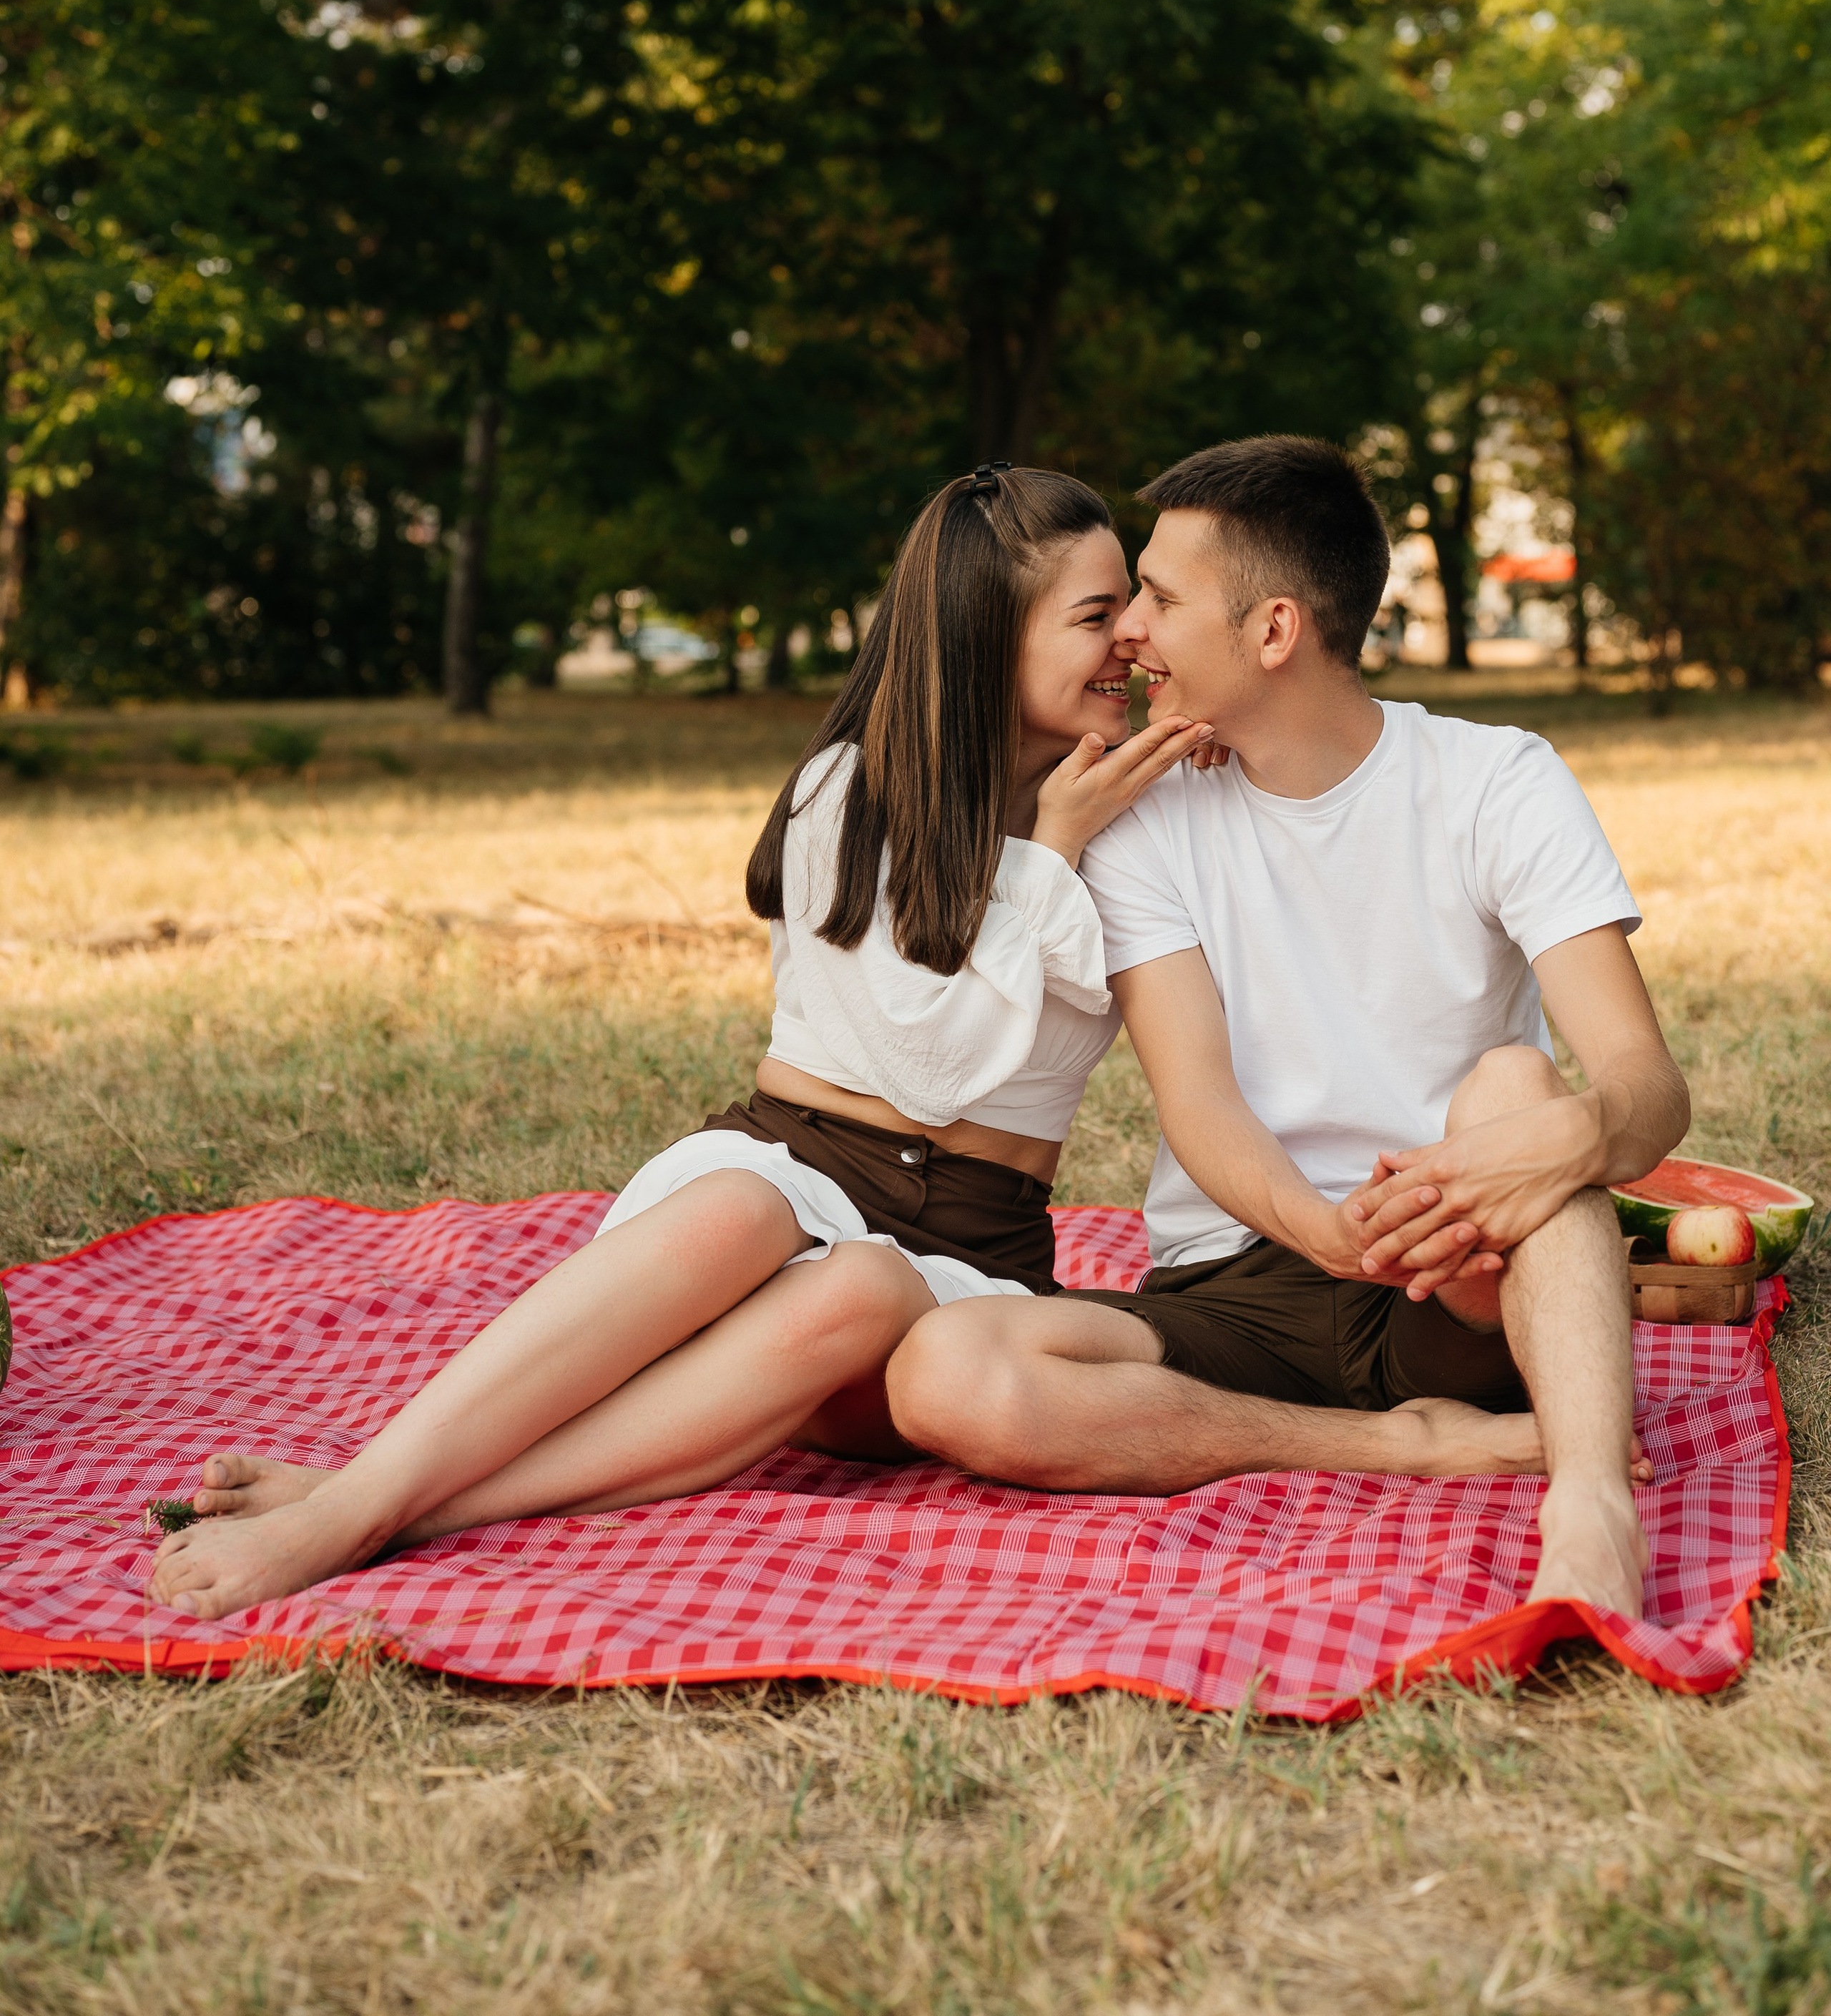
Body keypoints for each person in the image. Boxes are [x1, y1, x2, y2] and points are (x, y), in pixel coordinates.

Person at [150, 464, 1223, 1621]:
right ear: (983, 638)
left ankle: (384, 1501)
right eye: (1096, 614)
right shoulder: (849, 796)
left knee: (861, 1286)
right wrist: (1047, 856)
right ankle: (360, 1506)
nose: (1133, 639)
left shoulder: (1141, 818)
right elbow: (926, 1071)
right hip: (788, 1166)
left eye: (1134, 607)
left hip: (967, 1251)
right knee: (742, 1211)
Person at [887, 436, 1688, 1623]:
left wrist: (1557, 1144)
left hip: (1449, 1267)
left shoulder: (1496, 782)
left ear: (1272, 632)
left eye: (1159, 599)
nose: (1132, 634)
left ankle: (1588, 1506)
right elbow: (1198, 1102)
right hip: (1239, 1280)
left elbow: (1646, 1088)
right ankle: (1416, 1448)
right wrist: (1326, 1231)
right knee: (944, 1373)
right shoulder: (1146, 823)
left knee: (1521, 1083)